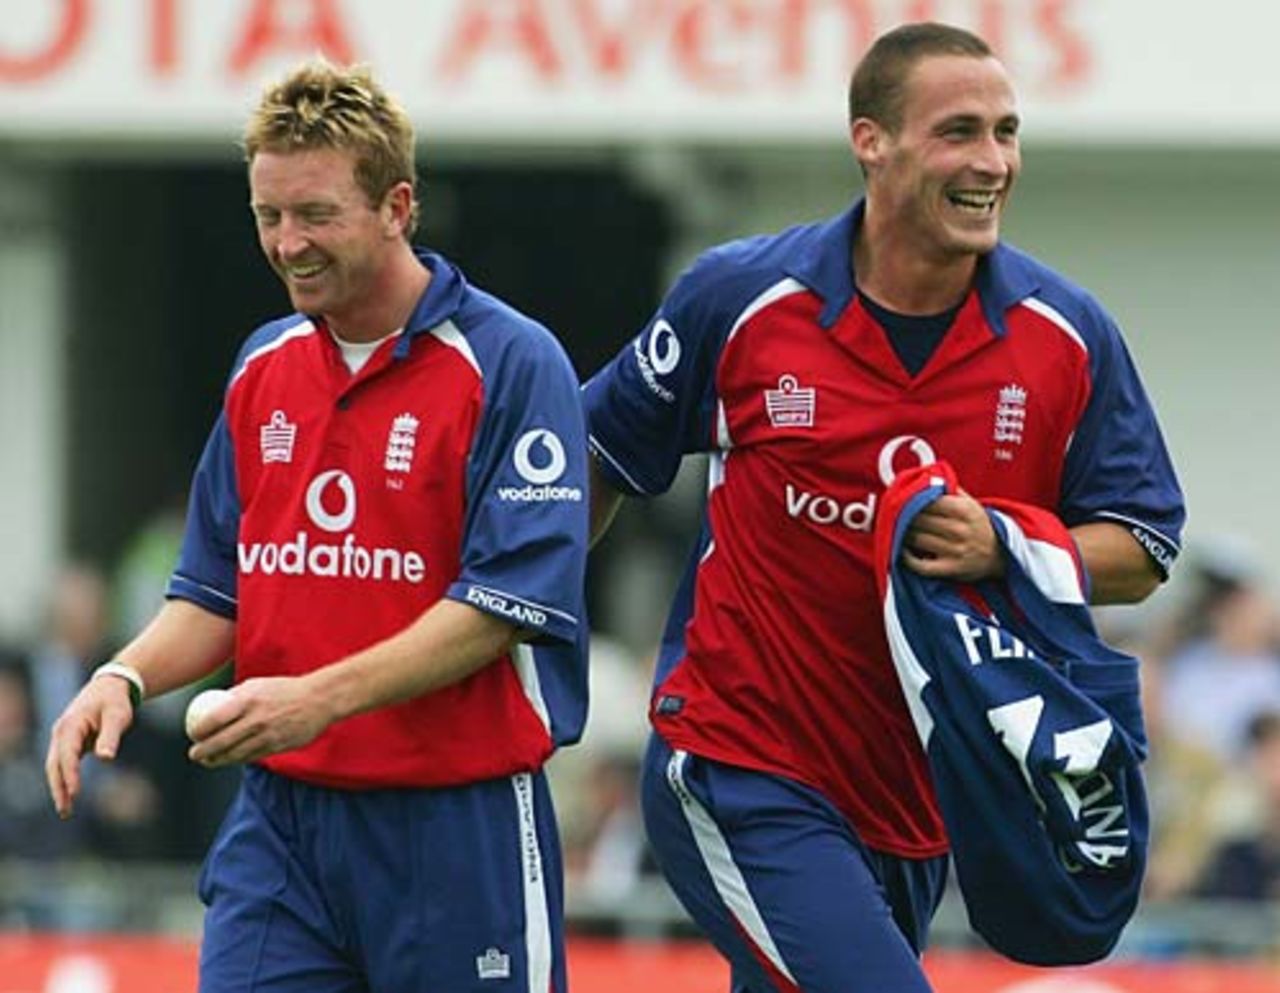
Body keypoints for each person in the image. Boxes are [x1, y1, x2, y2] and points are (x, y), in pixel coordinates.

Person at [583, 22, 1184, 993]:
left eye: (1005, 131)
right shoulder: (737, 299)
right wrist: (506, 632)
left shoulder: (1063, 336)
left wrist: (1003, 540)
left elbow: (1143, 545)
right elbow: (595, 454)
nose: (992, 162)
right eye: (958, 132)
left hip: (919, 797)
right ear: (871, 141)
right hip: (739, 762)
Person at [47, 61, 589, 993]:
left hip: (456, 823)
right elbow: (216, 593)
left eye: (315, 215)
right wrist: (124, 674)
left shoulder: (510, 362)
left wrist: (314, 698)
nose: (288, 243)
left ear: (398, 205)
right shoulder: (263, 367)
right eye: (268, 216)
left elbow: (502, 608)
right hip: (284, 825)